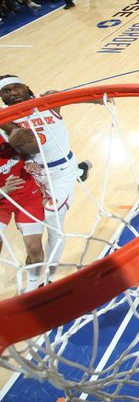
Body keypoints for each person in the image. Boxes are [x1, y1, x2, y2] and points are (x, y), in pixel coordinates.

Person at [0, 75, 93, 283]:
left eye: (16, 87)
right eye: (6, 91)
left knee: (52, 220)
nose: (13, 92)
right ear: (1, 97)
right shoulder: (5, 119)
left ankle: (49, 277)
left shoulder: (49, 100)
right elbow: (28, 148)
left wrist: (98, 98)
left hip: (61, 171)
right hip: (35, 175)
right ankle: (82, 171)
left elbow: (78, 97)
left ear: (27, 87)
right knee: (37, 230)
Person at [0, 133, 46, 292]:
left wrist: (30, 162)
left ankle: (33, 289)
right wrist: (3, 191)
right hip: (1, 201)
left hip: (28, 197)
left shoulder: (7, 131)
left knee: (34, 248)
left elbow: (33, 150)